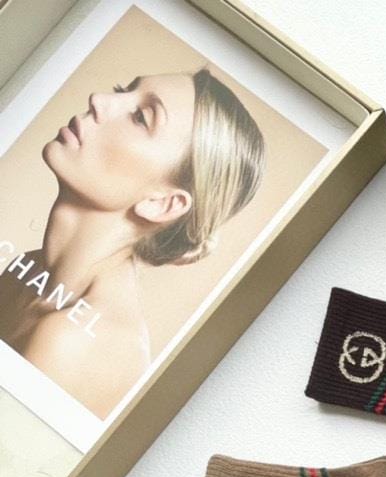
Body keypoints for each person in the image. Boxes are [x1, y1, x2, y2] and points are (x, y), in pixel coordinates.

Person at [0, 68, 265, 419]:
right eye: (121, 89)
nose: (99, 100)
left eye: (141, 117)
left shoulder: (74, 341)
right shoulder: (25, 272)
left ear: (161, 203)